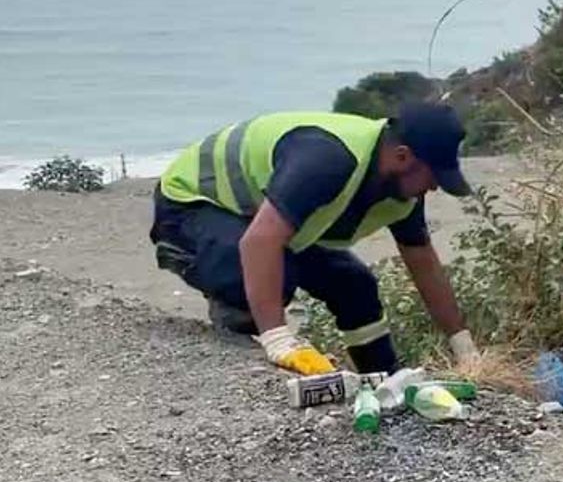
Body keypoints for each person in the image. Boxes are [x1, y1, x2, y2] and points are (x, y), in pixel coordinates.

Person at [148, 102, 480, 376]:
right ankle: (244, 362)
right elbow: (258, 243)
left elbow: (423, 264)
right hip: (192, 203)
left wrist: (462, 344)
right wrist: (278, 338)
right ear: (403, 157)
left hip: (263, 216)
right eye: (433, 177)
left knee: (355, 284)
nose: (434, 187)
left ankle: (381, 379)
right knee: (261, 279)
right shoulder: (327, 161)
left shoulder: (403, 190)